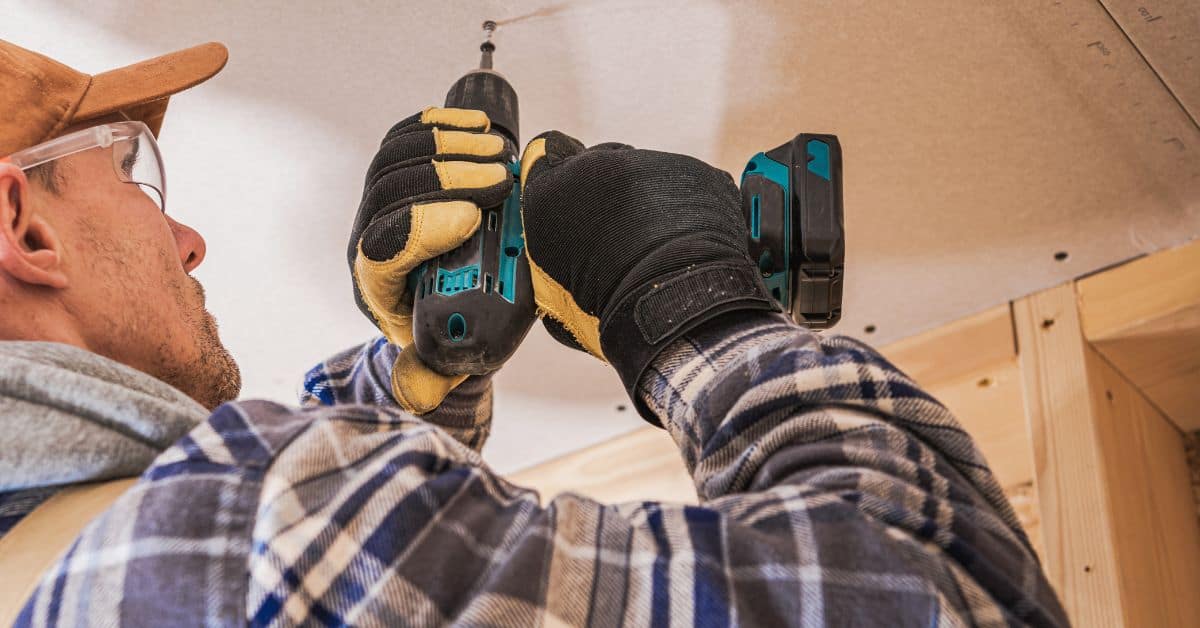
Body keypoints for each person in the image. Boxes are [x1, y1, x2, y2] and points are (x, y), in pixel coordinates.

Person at [0, 40, 1067, 626]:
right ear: (21, 222)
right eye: (132, 175)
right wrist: (692, 305)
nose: (185, 239)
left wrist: (424, 368)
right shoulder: (244, 528)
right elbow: (948, 595)